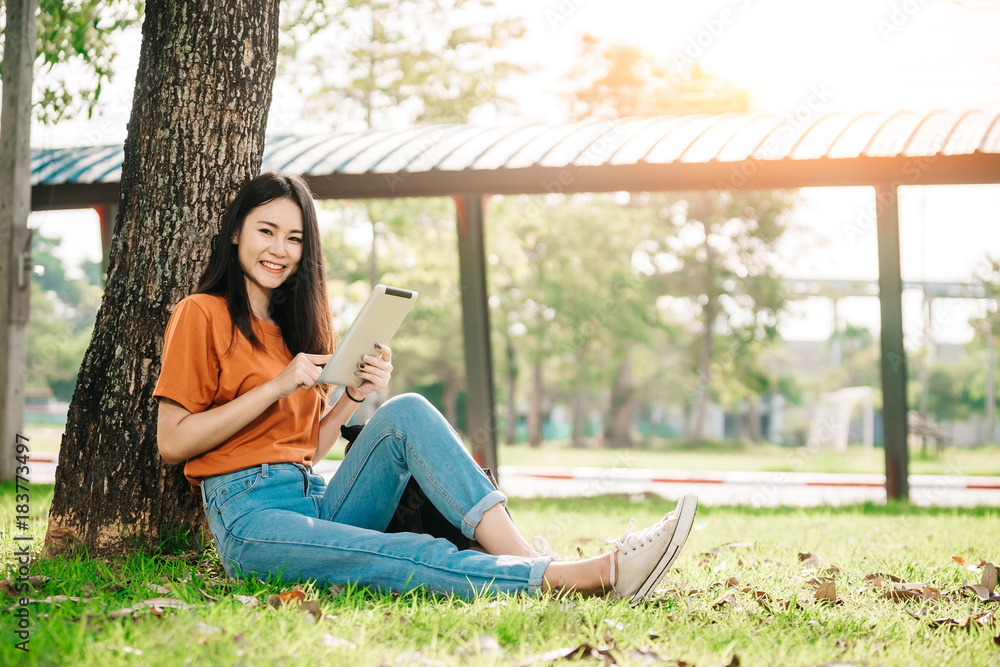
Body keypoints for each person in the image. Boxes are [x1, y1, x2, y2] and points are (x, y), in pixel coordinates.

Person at [153, 171, 698, 604]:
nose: (279, 249)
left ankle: (529, 557)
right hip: (249, 517)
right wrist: (277, 385)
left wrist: (355, 394)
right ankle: (592, 575)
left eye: (294, 238)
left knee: (406, 410)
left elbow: (305, 450)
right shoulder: (201, 314)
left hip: (313, 495)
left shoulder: (295, 328)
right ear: (235, 232)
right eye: (265, 231)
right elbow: (173, 442)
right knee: (404, 553)